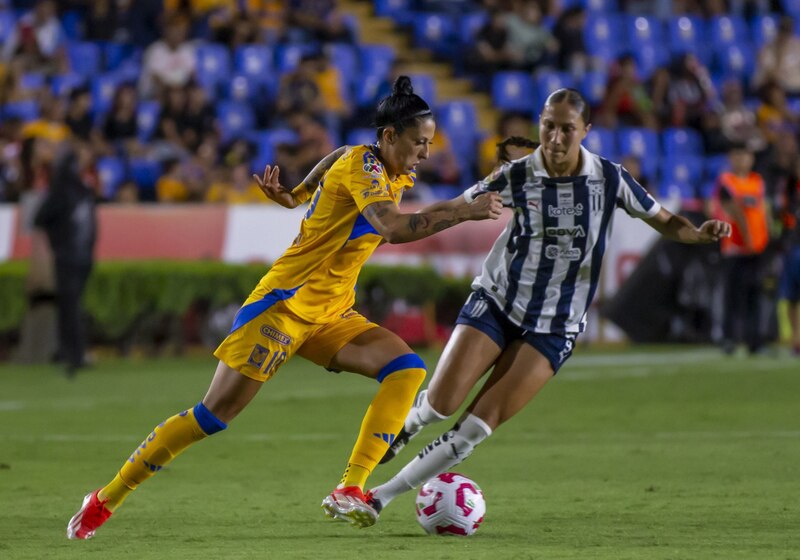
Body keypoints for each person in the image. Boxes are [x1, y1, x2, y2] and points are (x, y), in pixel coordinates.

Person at [66, 76, 504, 539]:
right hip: (283, 307)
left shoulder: (384, 165)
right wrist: (461, 211)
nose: (425, 153)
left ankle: (350, 488)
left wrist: (297, 193)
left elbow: (336, 154)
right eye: (419, 142)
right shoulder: (364, 168)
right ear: (390, 136)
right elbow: (393, 228)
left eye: (430, 143)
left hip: (332, 314)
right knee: (211, 416)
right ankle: (105, 499)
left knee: (406, 369)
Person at [366, 88, 731, 516]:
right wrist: (408, 223)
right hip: (498, 302)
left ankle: (379, 497)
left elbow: (663, 220)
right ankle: (413, 422)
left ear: (586, 131)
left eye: (566, 129)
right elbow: (457, 204)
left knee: (474, 429)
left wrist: (697, 233)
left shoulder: (610, 178)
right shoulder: (518, 174)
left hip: (555, 326)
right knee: (441, 403)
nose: (555, 138)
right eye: (548, 126)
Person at [33, 141, 97, 377]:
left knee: (68, 307)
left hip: (67, 257)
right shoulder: (83, 189)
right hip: (84, 257)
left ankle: (74, 354)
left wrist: (53, 239)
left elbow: (40, 217)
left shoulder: (60, 190)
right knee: (73, 305)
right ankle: (69, 351)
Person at [709, 143, 772, 355]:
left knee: (755, 295)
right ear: (731, 158)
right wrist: (747, 238)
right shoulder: (726, 181)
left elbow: (764, 211)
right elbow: (733, 210)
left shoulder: (758, 182)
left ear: (751, 159)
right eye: (737, 155)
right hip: (736, 247)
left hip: (757, 247)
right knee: (734, 295)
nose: (742, 159)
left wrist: (765, 237)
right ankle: (729, 339)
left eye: (745, 155)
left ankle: (755, 341)